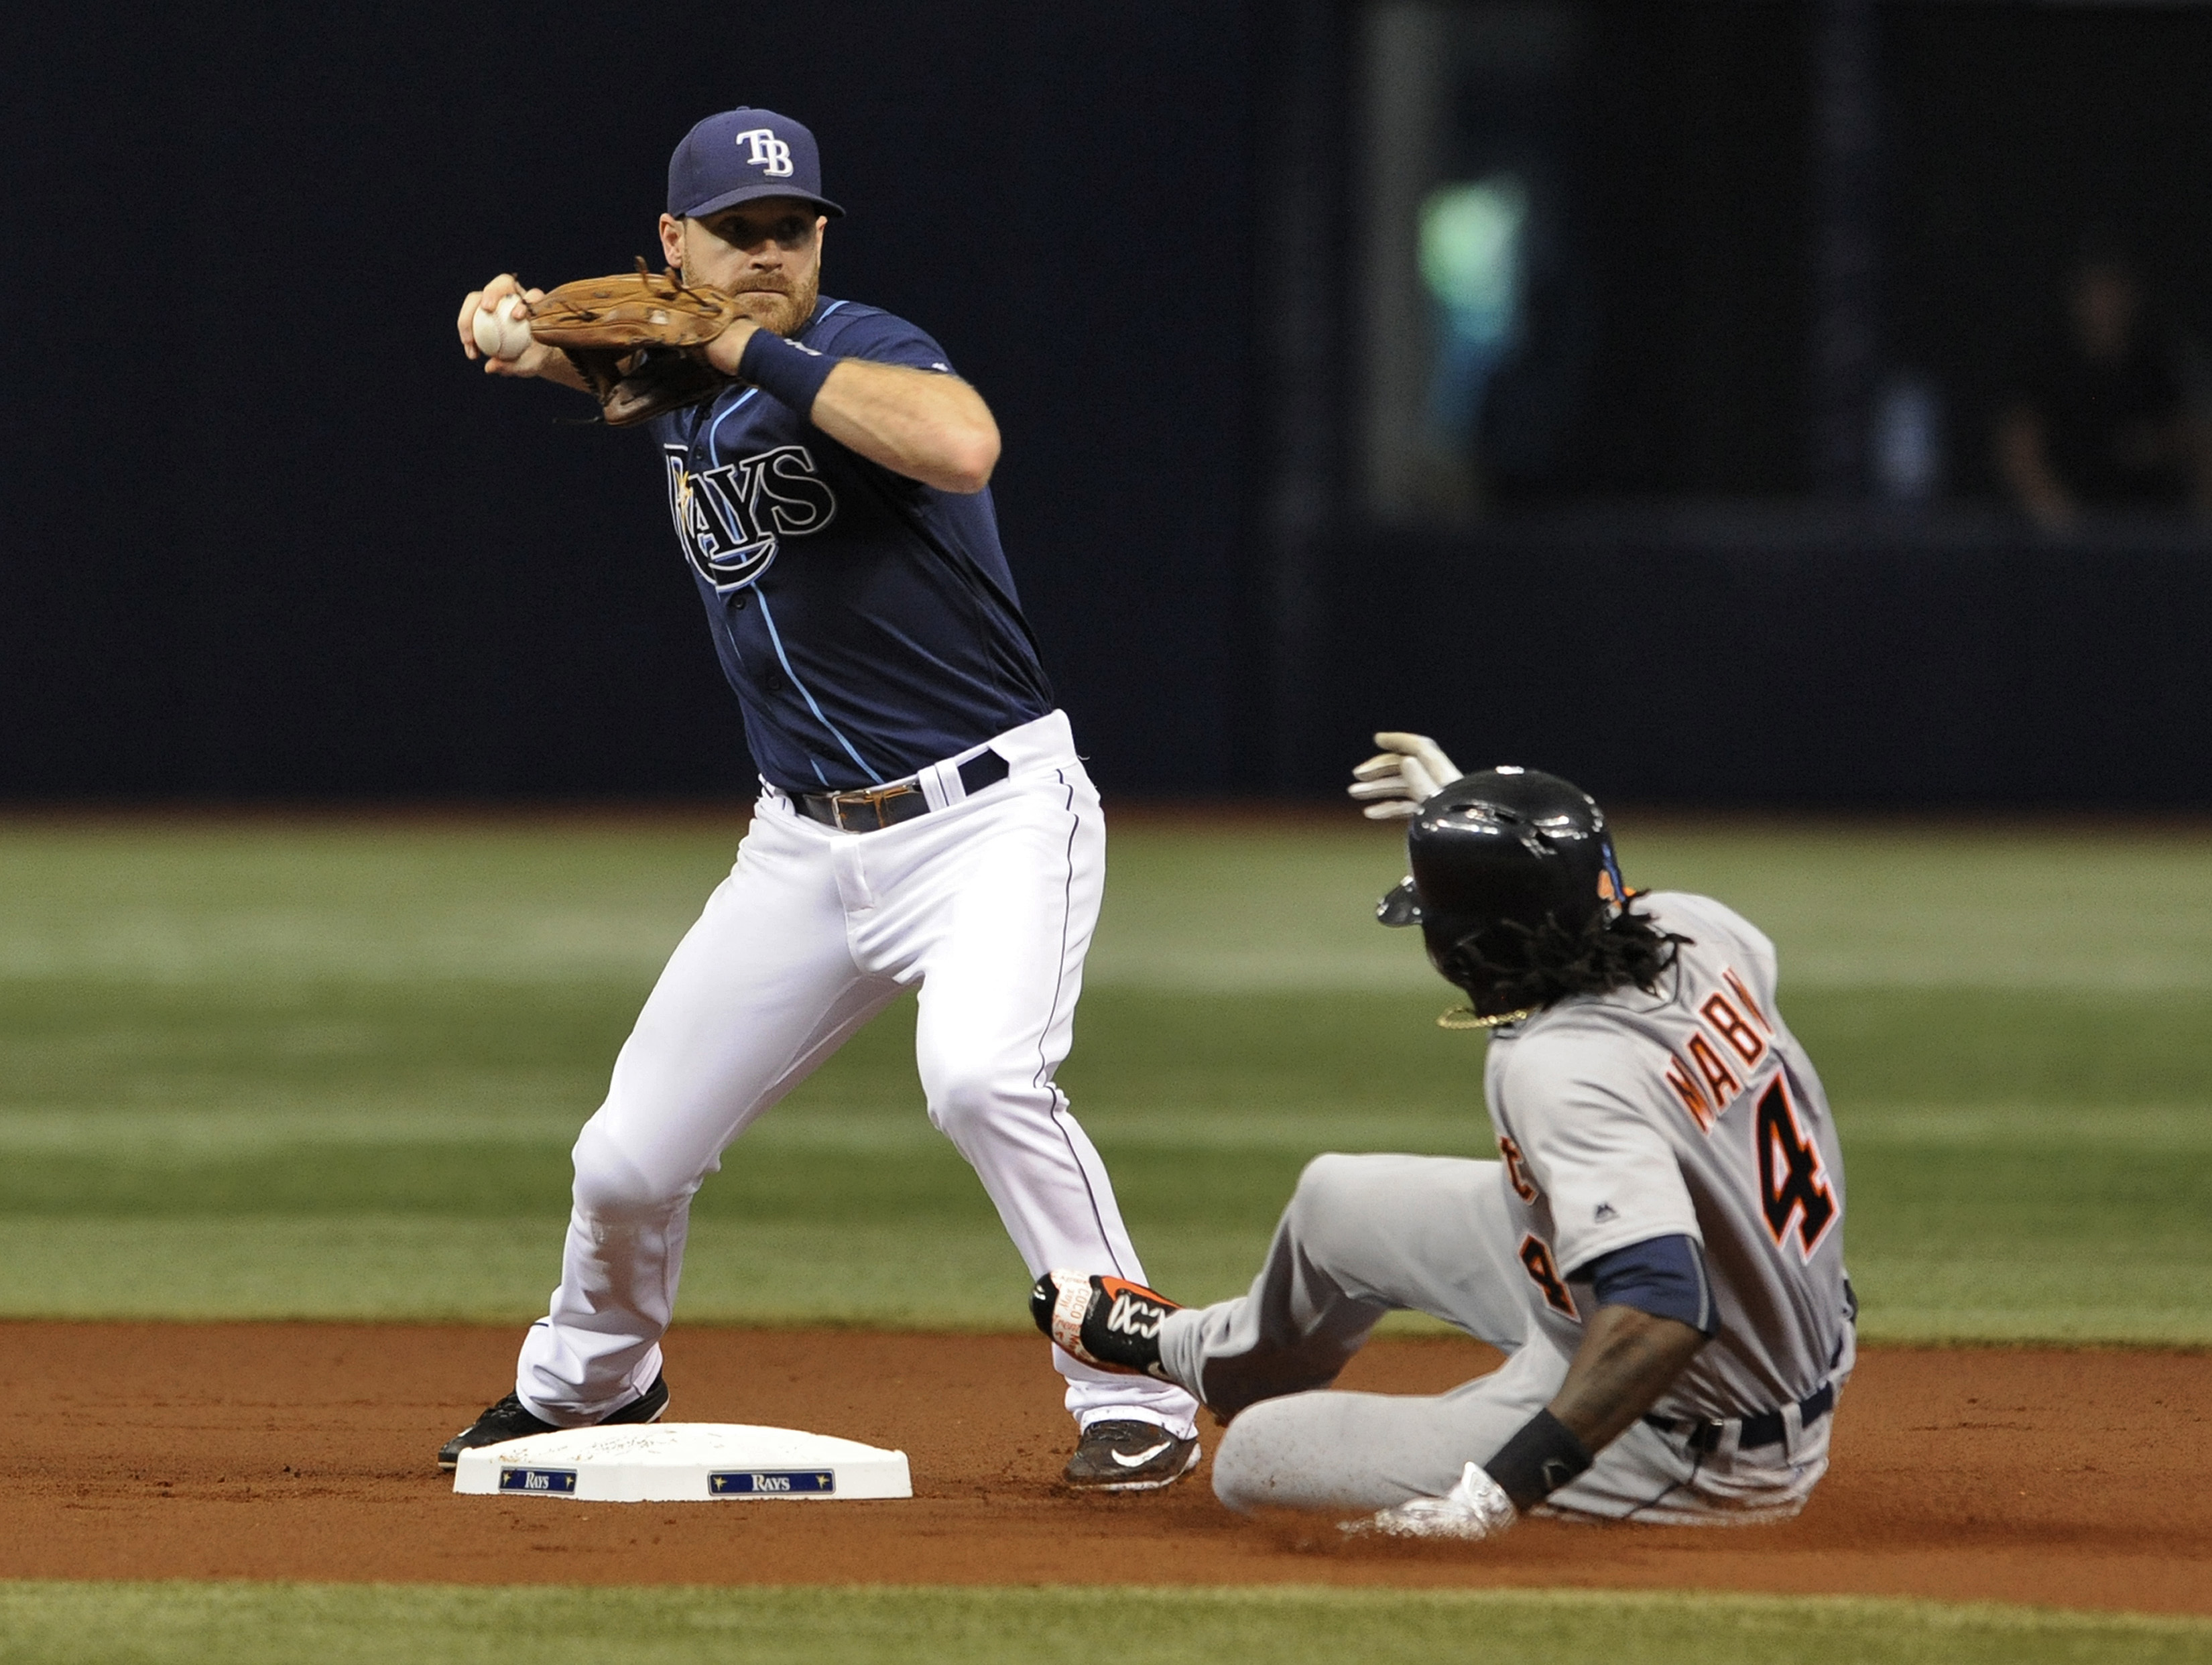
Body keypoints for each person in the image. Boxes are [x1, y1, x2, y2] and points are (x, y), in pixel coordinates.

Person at [440, 107, 1201, 1489]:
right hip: (802, 842)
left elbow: (961, 446)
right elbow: (606, 361)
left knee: (982, 1079)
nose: (767, 256)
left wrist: (741, 339)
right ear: (673, 242)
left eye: (790, 233)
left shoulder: (861, 348)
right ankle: (592, 1382)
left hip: (991, 816)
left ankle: (1127, 1389)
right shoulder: (685, 368)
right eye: (736, 236)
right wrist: (508, 332)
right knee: (625, 1157)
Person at [1032, 733, 1854, 1534]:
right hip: (1753, 1318)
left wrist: (1501, 1492)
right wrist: (1484, 830)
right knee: (1335, 1203)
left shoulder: (1559, 1070)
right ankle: (1197, 1350)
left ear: (1462, 951)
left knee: (1257, 1461)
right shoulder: (1698, 925)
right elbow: (1588, 906)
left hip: (1688, 1427)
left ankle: (1588, 1474)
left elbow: (1664, 1308)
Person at [1995, 243, 2212, 529]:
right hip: (2072, 533)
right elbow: (2019, 453)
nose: (2105, 302)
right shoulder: (2046, 365)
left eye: (2114, 289)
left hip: (2156, 531)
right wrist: (2068, 528)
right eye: (2095, 291)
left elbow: (2198, 441)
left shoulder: (2161, 361)